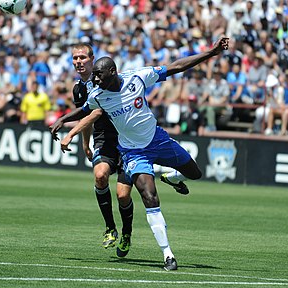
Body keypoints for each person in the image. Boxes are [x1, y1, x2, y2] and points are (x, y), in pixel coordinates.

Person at [58, 36, 229, 271]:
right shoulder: (98, 95)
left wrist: (211, 52)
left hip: (158, 140)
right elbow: (84, 111)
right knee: (149, 197)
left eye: (99, 75)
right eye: (94, 76)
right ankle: (168, 255)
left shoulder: (138, 77)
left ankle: (172, 177)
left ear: (112, 72)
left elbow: (176, 66)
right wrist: (62, 121)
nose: (95, 80)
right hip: (133, 152)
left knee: (195, 173)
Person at [49, 43, 134, 258]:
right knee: (100, 176)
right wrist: (85, 144)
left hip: (127, 137)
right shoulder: (79, 89)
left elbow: (95, 113)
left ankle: (126, 233)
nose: (78, 62)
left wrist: (70, 134)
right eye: (75, 58)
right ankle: (110, 227)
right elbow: (85, 117)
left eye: (82, 58)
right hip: (104, 138)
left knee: (123, 195)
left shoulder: (105, 79)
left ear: (92, 58)